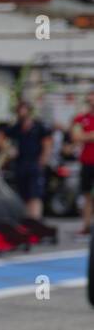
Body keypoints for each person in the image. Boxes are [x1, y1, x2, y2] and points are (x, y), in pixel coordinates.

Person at [2, 101, 51, 220]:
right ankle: (28, 220)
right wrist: (8, 149)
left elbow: (47, 142)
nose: (22, 113)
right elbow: (0, 137)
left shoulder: (38, 126)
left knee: (35, 194)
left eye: (24, 110)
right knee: (24, 194)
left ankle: (35, 219)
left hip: (34, 163)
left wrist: (44, 158)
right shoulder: (16, 127)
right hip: (21, 164)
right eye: (19, 110)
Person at [71, 92, 94, 236]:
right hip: (87, 163)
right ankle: (86, 226)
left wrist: (86, 136)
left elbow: (82, 136)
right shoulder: (81, 118)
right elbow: (76, 136)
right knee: (87, 195)